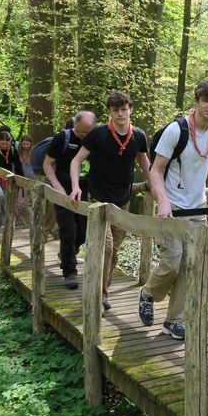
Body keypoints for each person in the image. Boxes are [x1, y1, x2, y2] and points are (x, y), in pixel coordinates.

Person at [139, 81, 208, 340]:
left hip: (198, 207)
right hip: (172, 207)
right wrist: (163, 200)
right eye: (206, 100)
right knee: (172, 262)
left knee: (189, 266)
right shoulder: (176, 130)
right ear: (196, 101)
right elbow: (155, 170)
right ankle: (148, 293)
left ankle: (174, 321)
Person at [70, 93, 150, 312]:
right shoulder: (98, 135)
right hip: (98, 198)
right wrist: (76, 186)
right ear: (110, 112)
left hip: (122, 200)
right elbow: (76, 161)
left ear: (131, 109)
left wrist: (158, 191)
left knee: (113, 250)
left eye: (124, 109)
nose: (120, 114)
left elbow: (145, 163)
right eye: (116, 110)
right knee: (104, 247)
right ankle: (98, 296)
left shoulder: (139, 136)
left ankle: (102, 289)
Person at [44, 111, 96, 289]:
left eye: (87, 132)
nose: (83, 136)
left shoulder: (96, 139)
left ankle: (68, 253)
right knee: (68, 229)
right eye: (80, 131)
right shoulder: (63, 138)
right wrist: (56, 185)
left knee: (83, 231)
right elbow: (47, 164)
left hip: (85, 193)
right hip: (64, 192)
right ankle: (70, 272)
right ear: (75, 125)